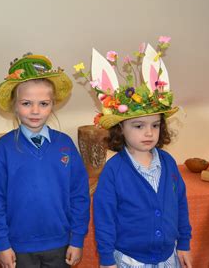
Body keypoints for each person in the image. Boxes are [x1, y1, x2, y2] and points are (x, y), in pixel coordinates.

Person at [77, 39, 192, 268]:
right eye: (139, 126)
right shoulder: (114, 171)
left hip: (169, 258)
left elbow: (181, 203)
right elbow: (104, 218)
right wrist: (107, 260)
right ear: (121, 129)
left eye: (155, 125)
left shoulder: (168, 163)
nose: (149, 133)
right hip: (129, 260)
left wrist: (184, 244)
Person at [0, 53, 90, 268]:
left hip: (61, 244)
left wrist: (77, 239)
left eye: (43, 103)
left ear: (53, 105)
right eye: (26, 103)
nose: (35, 110)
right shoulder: (3, 149)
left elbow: (79, 194)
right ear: (14, 105)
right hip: (18, 248)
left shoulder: (65, 145)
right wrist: (2, 244)